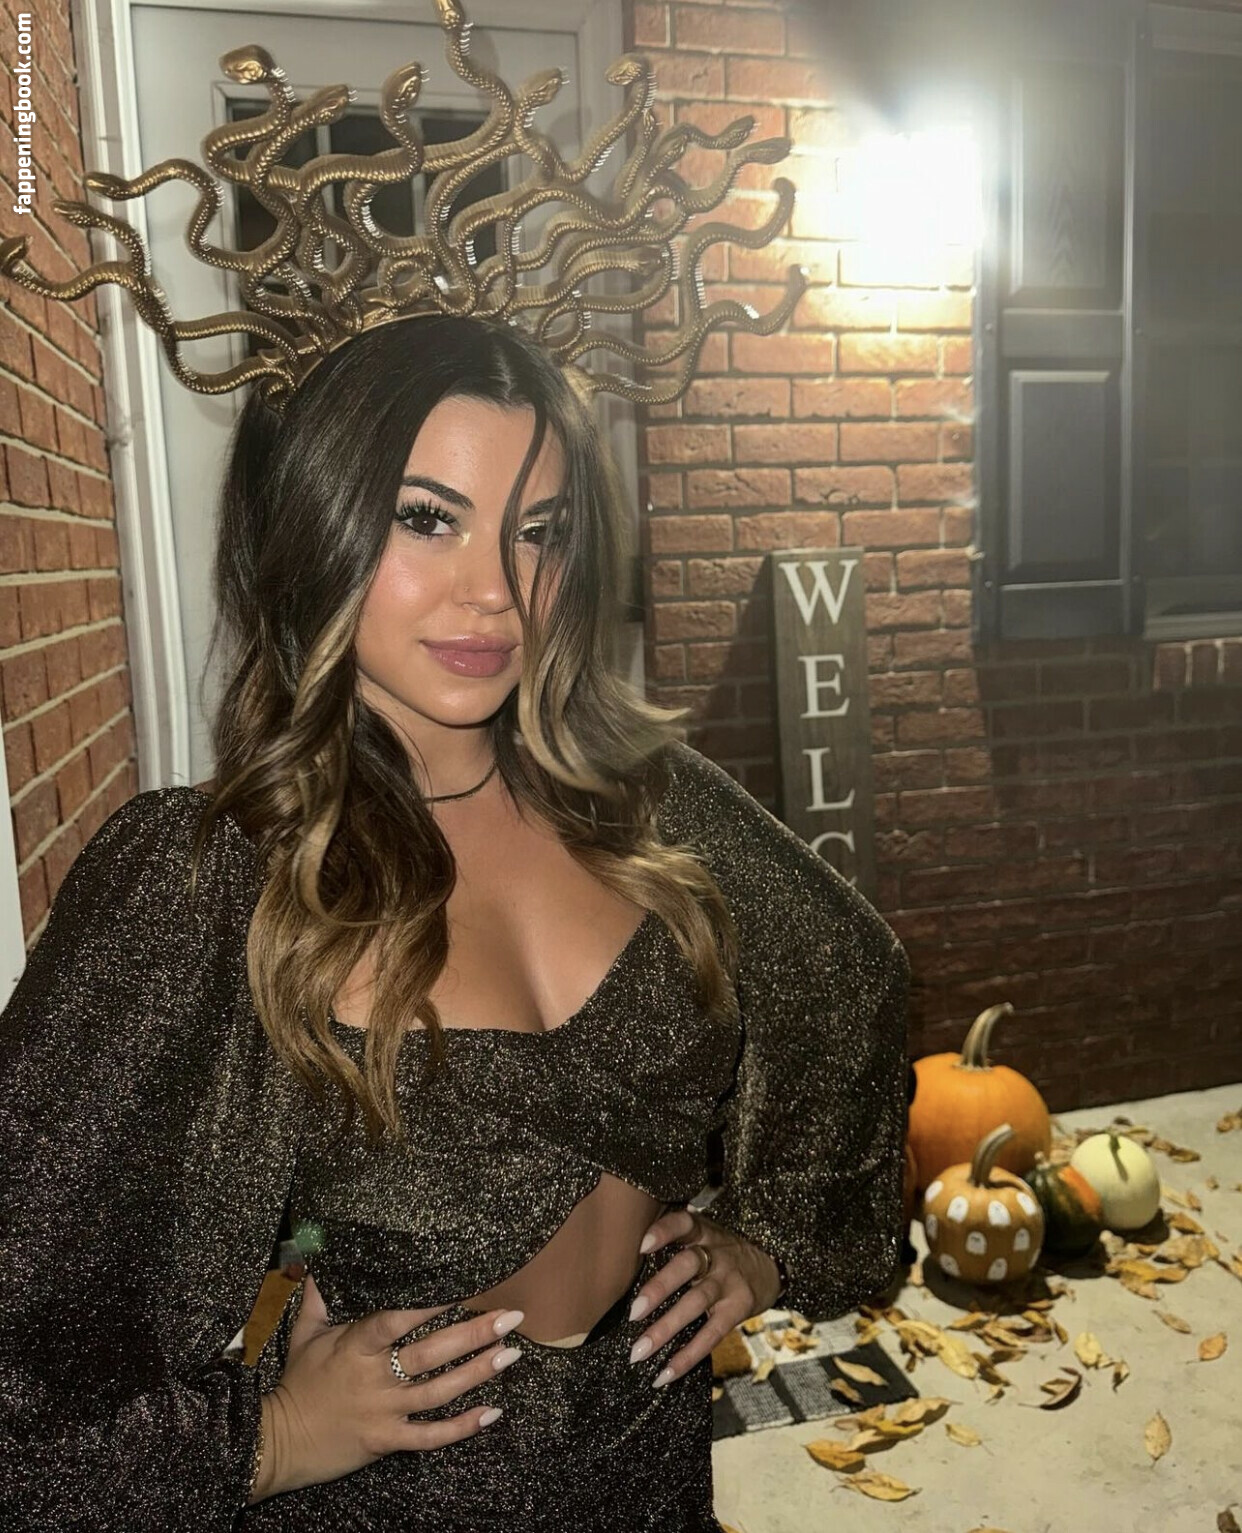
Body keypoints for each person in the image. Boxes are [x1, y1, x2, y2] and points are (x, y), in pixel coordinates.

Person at [0, 16, 909, 1529]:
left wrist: (760, 1242)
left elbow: (850, 979)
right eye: (427, 519)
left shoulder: (643, 799)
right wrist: (265, 1437)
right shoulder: (206, 878)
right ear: (317, 526)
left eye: (537, 531)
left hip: (648, 1477)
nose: (497, 591)